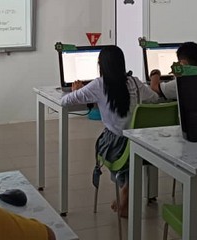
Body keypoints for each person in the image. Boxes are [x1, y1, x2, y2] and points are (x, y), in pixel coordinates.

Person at [60, 45, 157, 217]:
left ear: (101, 65)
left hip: (116, 147)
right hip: (142, 145)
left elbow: (65, 101)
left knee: (103, 143)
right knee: (129, 148)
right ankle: (127, 187)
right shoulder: (135, 82)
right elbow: (155, 98)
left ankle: (125, 187)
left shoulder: (99, 85)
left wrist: (77, 91)